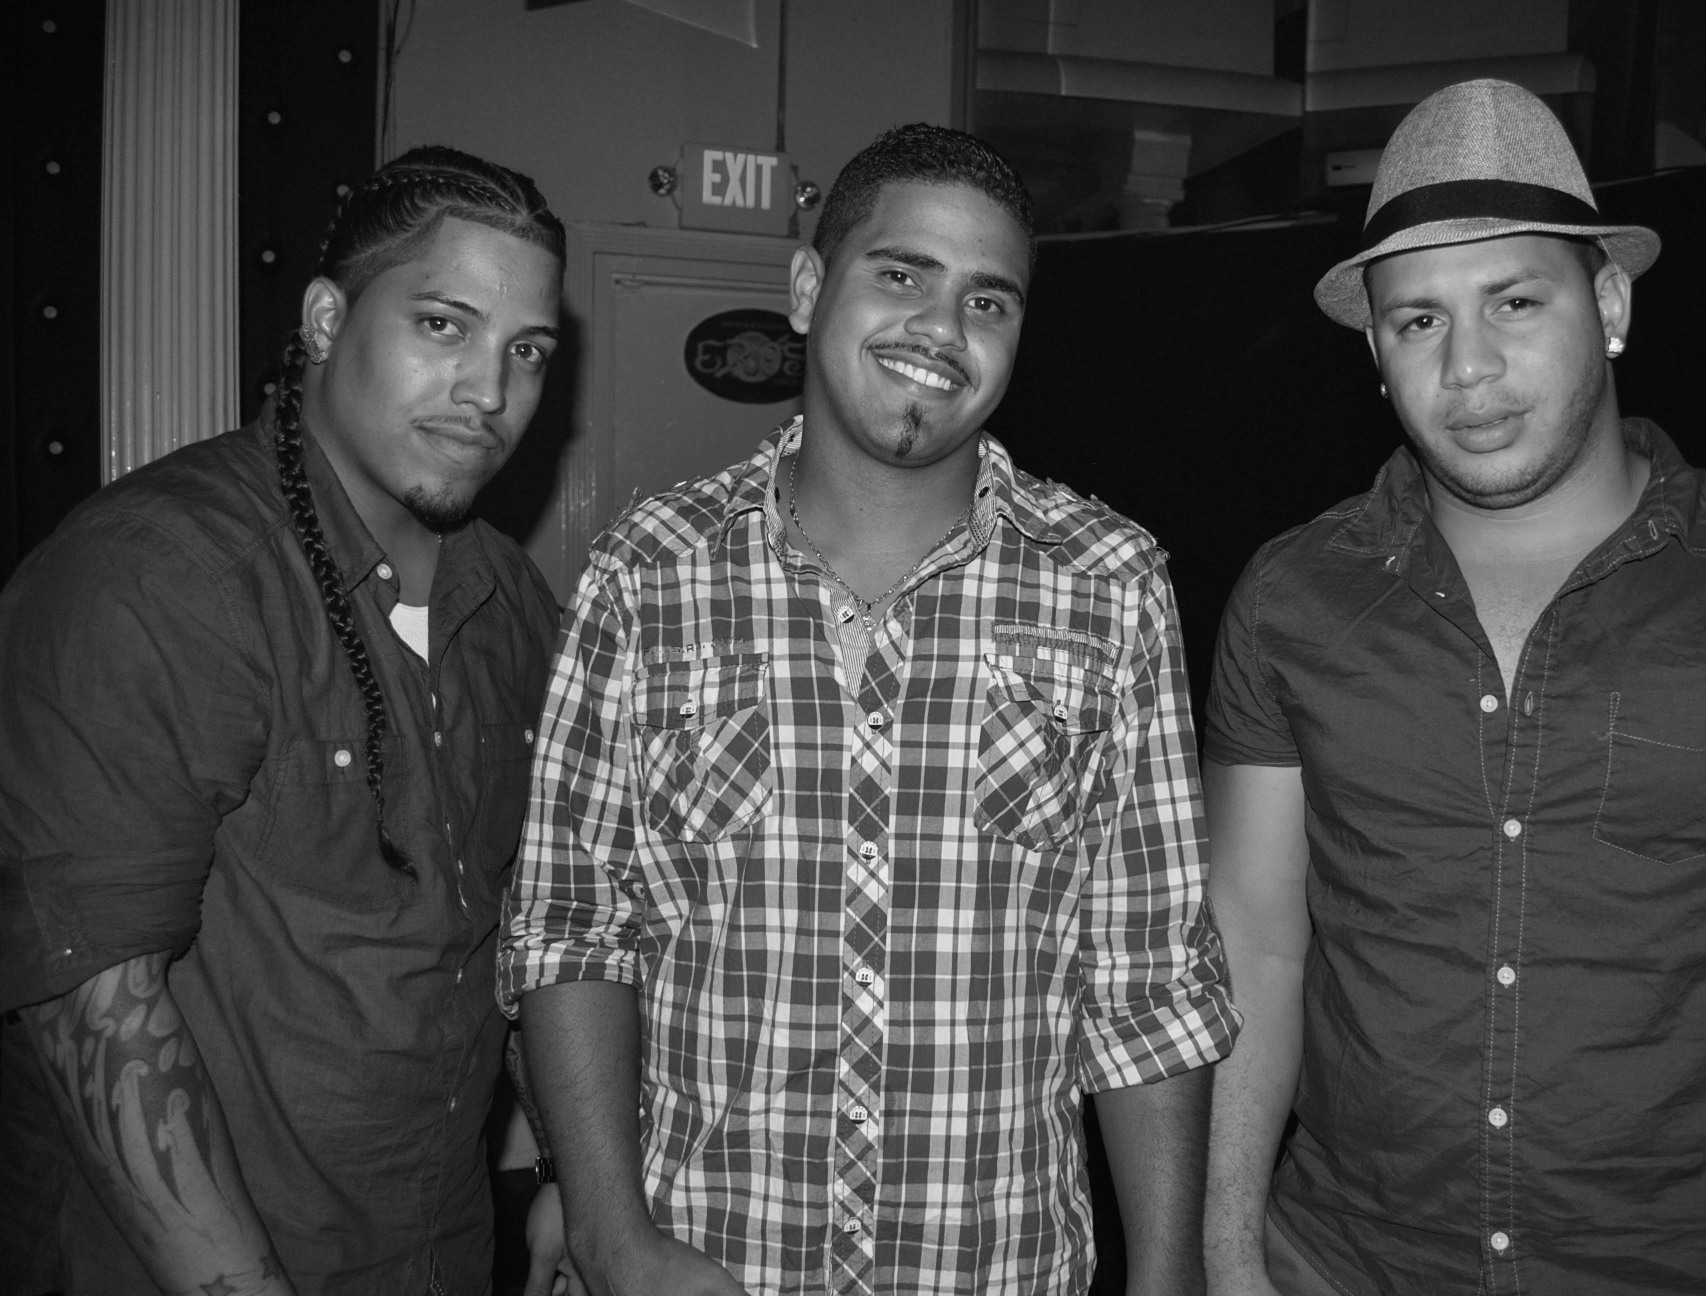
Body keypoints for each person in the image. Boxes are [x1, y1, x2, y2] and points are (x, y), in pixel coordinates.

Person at [1200, 79, 1706, 1296]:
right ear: (1375, 354)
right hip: (1336, 1266)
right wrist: (1225, 1261)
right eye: (1418, 321)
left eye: (1514, 300)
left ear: (1608, 305)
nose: (1468, 366)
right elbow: (1254, 951)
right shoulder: (1292, 599)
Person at [499, 123, 1238, 1296]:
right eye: (901, 275)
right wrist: (606, 1233)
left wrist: (1167, 1275)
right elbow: (575, 927)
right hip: (704, 1263)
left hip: (997, 1267)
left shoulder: (1110, 584)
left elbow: (1145, 976)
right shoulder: (647, 574)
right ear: (807, 289)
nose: (942, 330)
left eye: (987, 301)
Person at [0, 146, 567, 1296]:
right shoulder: (156, 575)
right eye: (444, 326)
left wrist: (571, 1175)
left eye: (528, 351)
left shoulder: (508, 600)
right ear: (324, 320)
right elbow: (94, 1010)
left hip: (436, 1248)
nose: (490, 392)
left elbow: (534, 932)